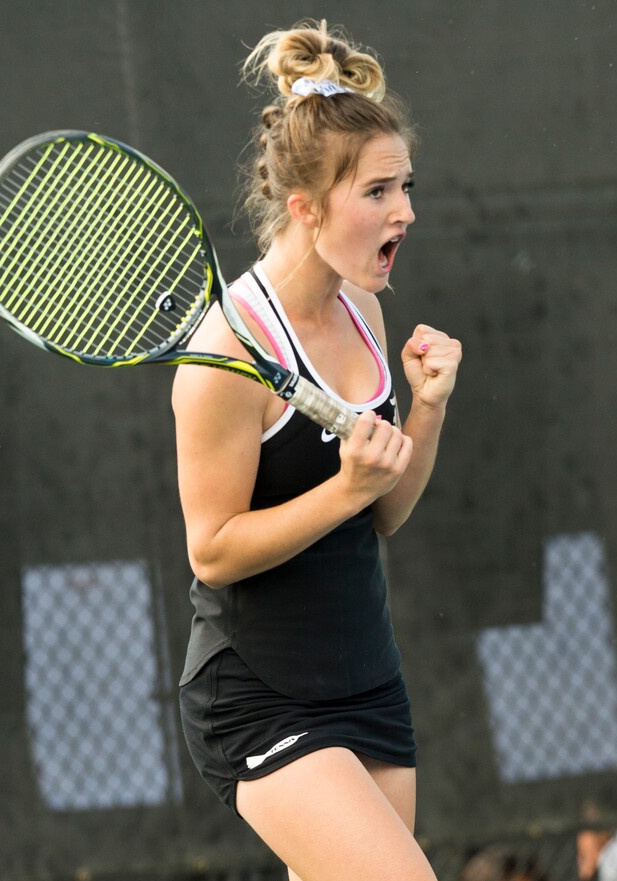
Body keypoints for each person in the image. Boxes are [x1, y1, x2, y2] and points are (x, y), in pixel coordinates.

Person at [172, 19, 462, 881]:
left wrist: (427, 412)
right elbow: (212, 549)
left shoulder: (365, 314)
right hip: (257, 693)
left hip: (367, 681)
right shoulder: (227, 353)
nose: (403, 209)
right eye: (378, 191)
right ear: (305, 207)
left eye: (405, 186)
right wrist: (341, 491)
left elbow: (386, 513)